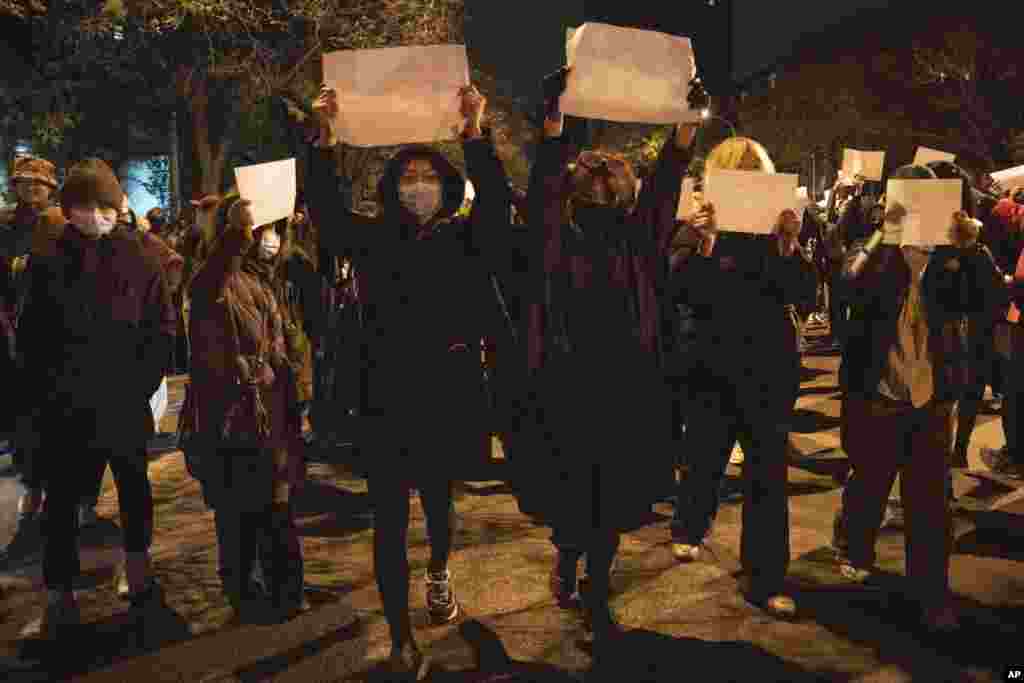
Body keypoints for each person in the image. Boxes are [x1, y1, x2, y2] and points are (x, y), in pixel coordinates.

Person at [307, 82, 510, 678]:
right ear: (393, 188)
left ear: (445, 185)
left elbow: (497, 204)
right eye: (407, 177)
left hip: (447, 392)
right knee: (389, 517)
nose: (417, 185)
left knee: (440, 502)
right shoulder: (371, 237)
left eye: (427, 175)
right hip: (384, 393)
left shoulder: (465, 236)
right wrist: (322, 143)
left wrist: (475, 134)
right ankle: (399, 635)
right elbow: (323, 211)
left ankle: (440, 571)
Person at [515, 66, 700, 649]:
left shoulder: (637, 238)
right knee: (573, 494)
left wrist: (684, 130)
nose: (600, 184)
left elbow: (667, 191)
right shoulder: (553, 237)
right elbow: (543, 189)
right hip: (564, 386)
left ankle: (597, 586)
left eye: (610, 176)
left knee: (611, 497)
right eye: (589, 177)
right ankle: (569, 557)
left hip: (626, 388)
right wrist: (553, 126)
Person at [17, 158, 175, 639]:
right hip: (65, 407)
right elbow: (30, 336)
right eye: (83, 206)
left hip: (124, 401)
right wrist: (47, 391)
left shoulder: (142, 257)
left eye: (102, 205)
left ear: (116, 206)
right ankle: (59, 595)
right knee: (61, 501)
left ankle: (138, 566)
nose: (94, 215)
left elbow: (162, 329)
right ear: (69, 209)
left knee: (133, 488)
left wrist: (140, 384)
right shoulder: (48, 260)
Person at [669, 135, 816, 620]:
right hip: (711, 367)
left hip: (767, 369)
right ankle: (690, 523)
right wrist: (706, 244)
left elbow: (804, 295)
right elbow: (683, 290)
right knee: (705, 456)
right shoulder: (698, 228)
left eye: (755, 172)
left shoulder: (778, 231)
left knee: (767, 476)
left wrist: (790, 246)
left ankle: (768, 576)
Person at [837, 163, 974, 632]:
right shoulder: (877, 250)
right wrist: (884, 233)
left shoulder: (953, 256)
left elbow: (990, 299)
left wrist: (967, 248)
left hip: (933, 400)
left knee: (931, 504)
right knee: (868, 484)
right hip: (880, 392)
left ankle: (931, 594)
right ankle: (855, 549)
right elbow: (848, 282)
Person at [183, 193, 309, 623]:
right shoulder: (214, 279)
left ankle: (284, 589)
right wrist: (237, 232)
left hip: (271, 411)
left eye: (274, 229)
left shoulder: (267, 280)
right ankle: (245, 590)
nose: (270, 238)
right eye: (262, 230)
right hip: (233, 414)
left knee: (276, 503)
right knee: (239, 509)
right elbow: (212, 281)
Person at [1, 157, 64, 543]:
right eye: (25, 184)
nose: (32, 191)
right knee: (25, 418)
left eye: (38, 185)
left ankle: (70, 497)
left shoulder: (62, 224)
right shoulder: (6, 227)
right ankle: (32, 491)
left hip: (61, 335)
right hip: (18, 335)